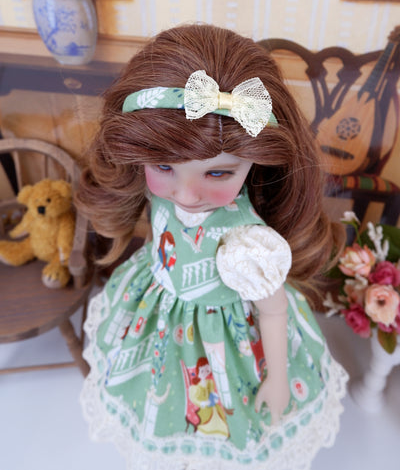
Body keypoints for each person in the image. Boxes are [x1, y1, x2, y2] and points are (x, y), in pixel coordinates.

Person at [77, 24, 348, 470]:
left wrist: (278, 378)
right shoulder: (157, 194)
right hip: (157, 317)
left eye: (218, 173)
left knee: (229, 427)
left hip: (228, 342)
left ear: (254, 164)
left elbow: (273, 311)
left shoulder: (247, 242)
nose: (186, 194)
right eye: (164, 166)